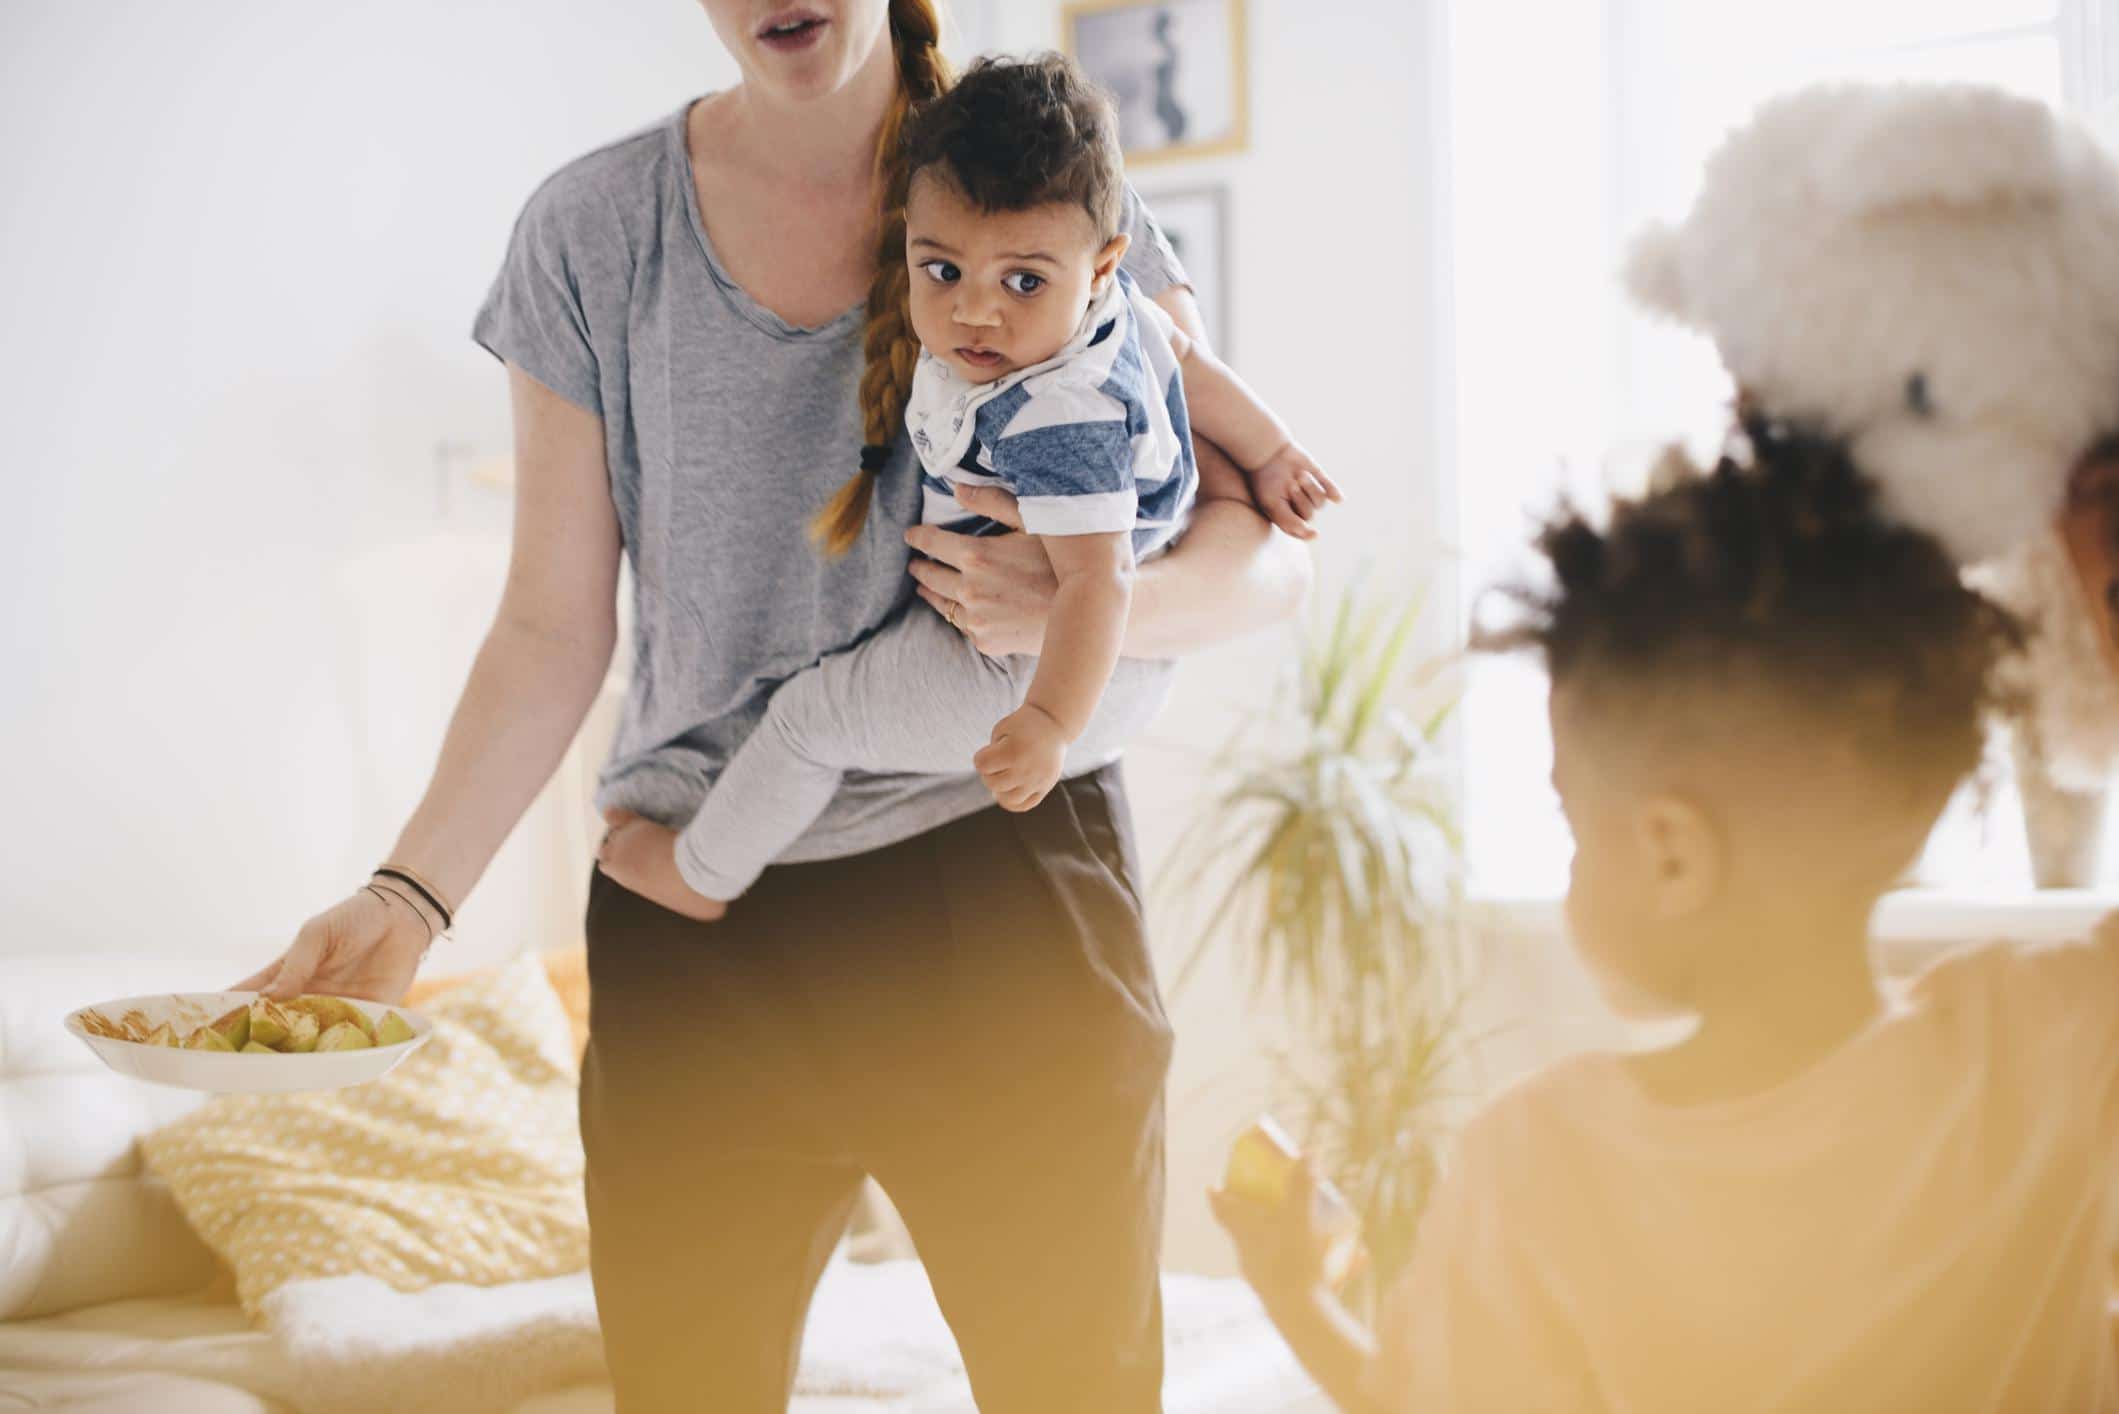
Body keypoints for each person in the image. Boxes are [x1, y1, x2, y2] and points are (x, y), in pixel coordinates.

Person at [232, 1, 1312, 1408]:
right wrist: (407, 894)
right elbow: (554, 626)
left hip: (1004, 889)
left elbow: (1263, 560)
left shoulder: (1033, 176)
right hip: (701, 936)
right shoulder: (593, 231)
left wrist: (1070, 623)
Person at [1213, 422, 2119, 1411]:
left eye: (1571, 819)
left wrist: (1299, 1298)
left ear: (1671, 853)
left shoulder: (1539, 1169)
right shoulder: (2044, 1045)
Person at [595, 53, 1337, 919]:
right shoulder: (1110, 313)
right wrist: (1275, 449)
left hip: (1030, 669)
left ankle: (699, 877)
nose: (976, 313)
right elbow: (1189, 363)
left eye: (1023, 281)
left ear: (1102, 266)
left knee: (809, 719)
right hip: (1083, 657)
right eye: (942, 271)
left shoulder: (1062, 416)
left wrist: (1048, 723)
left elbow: (1098, 581)